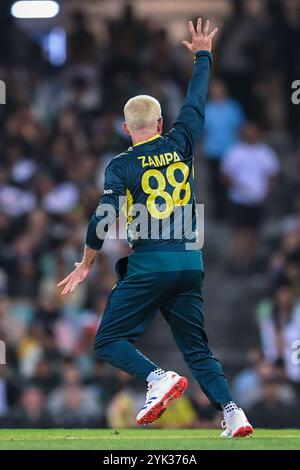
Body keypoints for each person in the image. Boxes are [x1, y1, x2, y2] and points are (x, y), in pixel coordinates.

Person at [58, 18, 253, 438]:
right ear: (161, 122)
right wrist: (203, 56)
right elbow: (196, 102)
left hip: (150, 263)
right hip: (189, 260)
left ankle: (156, 378)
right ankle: (233, 411)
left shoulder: (121, 165)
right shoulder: (182, 141)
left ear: (127, 129)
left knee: (108, 340)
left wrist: (87, 263)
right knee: (198, 349)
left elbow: (102, 219)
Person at [221, 122, 279, 272]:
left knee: (254, 232)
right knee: (239, 232)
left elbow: (272, 175)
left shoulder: (265, 153)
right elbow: (225, 174)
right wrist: (237, 187)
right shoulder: (235, 152)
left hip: (258, 199)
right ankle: (237, 262)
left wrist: (266, 194)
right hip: (239, 199)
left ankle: (252, 262)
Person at [203, 79, 245, 220]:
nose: (216, 92)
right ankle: (218, 214)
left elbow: (240, 128)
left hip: (231, 151)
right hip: (213, 151)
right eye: (214, 89)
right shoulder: (207, 109)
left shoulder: (234, 107)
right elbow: (202, 130)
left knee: (232, 182)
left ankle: (232, 211)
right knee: (215, 184)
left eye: (219, 89)